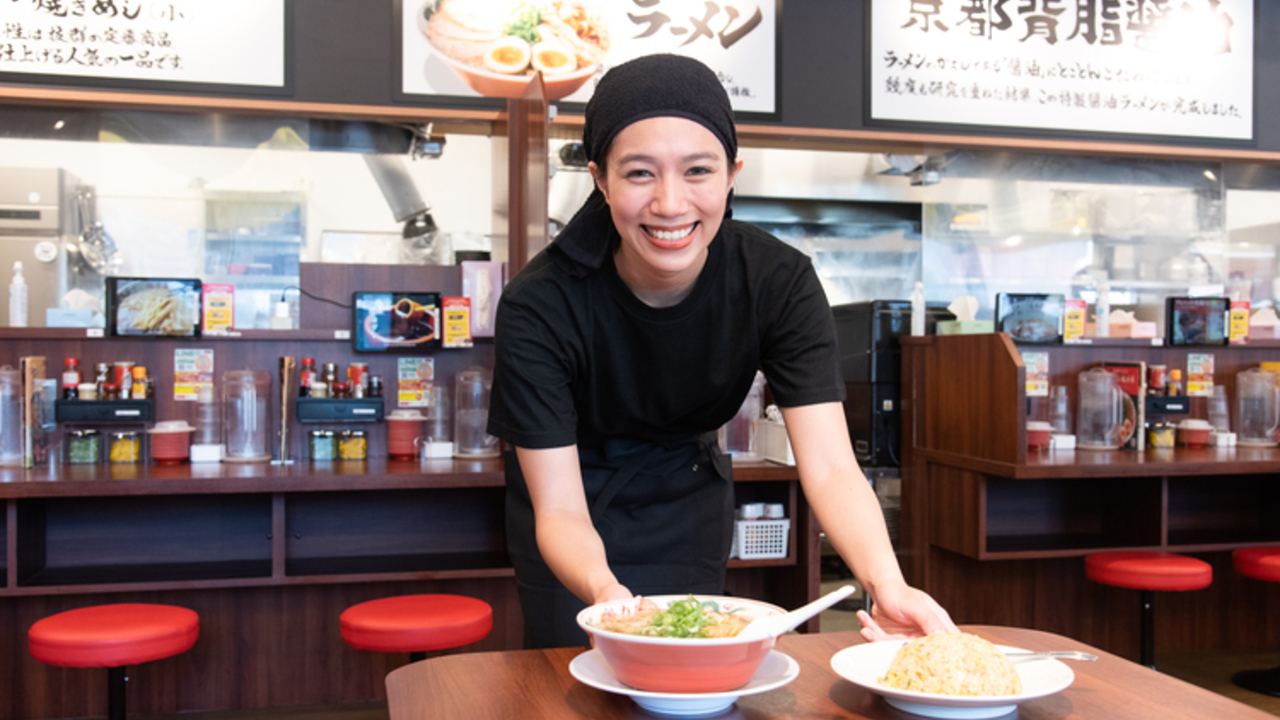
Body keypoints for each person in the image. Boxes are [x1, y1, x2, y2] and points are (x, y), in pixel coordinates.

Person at [488, 53, 956, 649]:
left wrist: (887, 583)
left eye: (698, 171)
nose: (670, 203)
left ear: (732, 173)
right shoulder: (541, 305)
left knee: (696, 681)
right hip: (573, 526)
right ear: (600, 179)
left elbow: (834, 467)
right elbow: (557, 509)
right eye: (638, 174)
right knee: (576, 689)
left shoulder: (775, 282)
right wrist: (607, 595)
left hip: (688, 502)